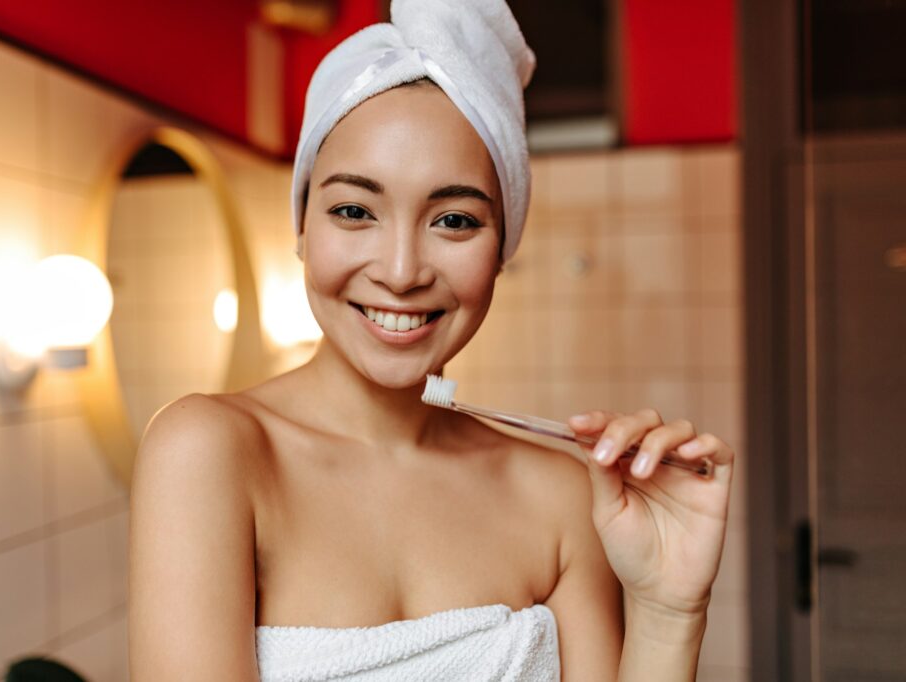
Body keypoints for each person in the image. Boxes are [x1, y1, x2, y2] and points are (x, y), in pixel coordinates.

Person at [128, 0, 735, 679]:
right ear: (302, 228)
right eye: (355, 211)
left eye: (452, 220)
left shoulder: (563, 498)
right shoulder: (210, 452)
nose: (400, 271)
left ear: (502, 248)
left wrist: (669, 611)